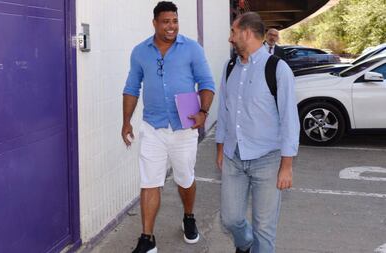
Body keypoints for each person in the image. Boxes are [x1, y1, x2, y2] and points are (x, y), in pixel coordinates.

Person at [122, 2, 215, 253]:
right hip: (153, 127)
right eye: (166, 21)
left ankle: (188, 216)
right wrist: (126, 121)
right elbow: (131, 88)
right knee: (150, 182)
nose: (171, 26)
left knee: (185, 179)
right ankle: (147, 238)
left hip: (184, 127)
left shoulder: (192, 49)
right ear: (155, 23)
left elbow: (206, 82)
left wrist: (203, 112)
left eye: (174, 21)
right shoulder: (140, 52)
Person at [216, 12, 299, 253]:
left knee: (264, 228)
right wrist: (221, 147)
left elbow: (289, 119)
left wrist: (287, 165)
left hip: (268, 160)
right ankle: (246, 244)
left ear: (246, 33)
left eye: (233, 31)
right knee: (230, 219)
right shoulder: (230, 66)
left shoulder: (278, 69)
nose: (230, 38)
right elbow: (224, 110)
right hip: (234, 157)